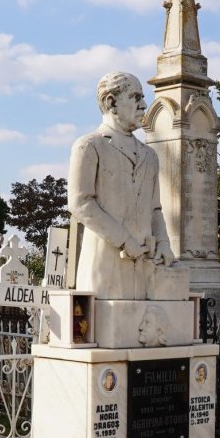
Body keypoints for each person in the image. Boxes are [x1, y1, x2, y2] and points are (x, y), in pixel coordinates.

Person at [68, 71, 174, 300]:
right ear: (111, 102)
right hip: (105, 267)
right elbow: (80, 203)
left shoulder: (150, 155)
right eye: (135, 97)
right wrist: (124, 239)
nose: (144, 104)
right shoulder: (89, 146)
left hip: (145, 272)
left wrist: (164, 242)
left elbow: (155, 208)